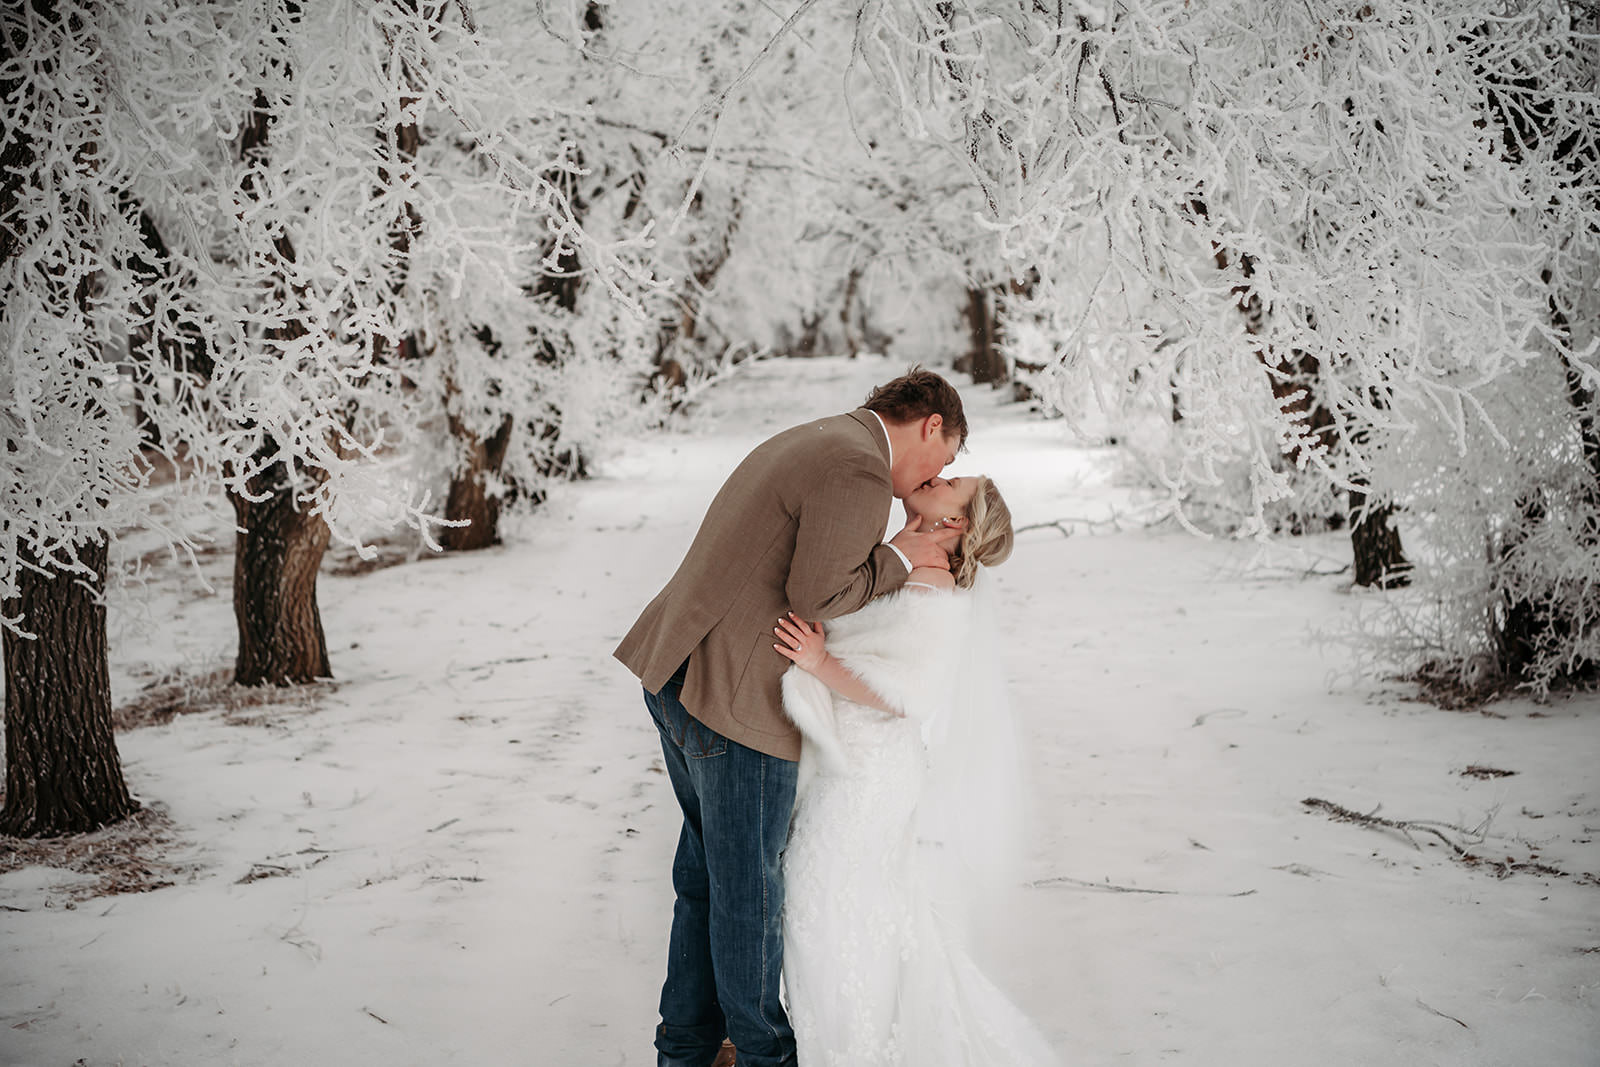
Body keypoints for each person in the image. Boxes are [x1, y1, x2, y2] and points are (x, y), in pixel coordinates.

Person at [615, 369, 968, 1067]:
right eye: (947, 456)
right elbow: (820, 591)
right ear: (930, 425)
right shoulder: (858, 469)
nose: (941, 473)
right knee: (747, 898)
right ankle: (763, 1055)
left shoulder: (822, 438)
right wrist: (900, 555)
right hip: (736, 706)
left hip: (682, 676)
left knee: (707, 883)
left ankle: (683, 1050)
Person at [773, 474, 1058, 1067]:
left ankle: (847, 1046)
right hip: (848, 762)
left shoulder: (931, 583)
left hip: (866, 776)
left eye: (952, 483)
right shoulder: (910, 560)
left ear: (954, 523)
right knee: (838, 906)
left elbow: (909, 694)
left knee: (821, 907)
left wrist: (819, 660)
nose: (938, 476)